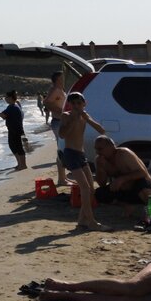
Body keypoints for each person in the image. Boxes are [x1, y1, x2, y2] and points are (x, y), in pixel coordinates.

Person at [58, 91, 104, 230]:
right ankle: (91, 221)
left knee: (90, 189)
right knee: (84, 187)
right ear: (70, 105)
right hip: (70, 154)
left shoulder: (85, 116)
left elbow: (101, 131)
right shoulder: (66, 116)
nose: (77, 106)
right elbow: (62, 134)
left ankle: (82, 220)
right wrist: (73, 119)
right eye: (74, 103)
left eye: (79, 103)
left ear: (84, 103)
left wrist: (87, 119)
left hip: (81, 154)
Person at [92, 136, 151, 206]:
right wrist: (100, 168)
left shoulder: (124, 153)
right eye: (96, 149)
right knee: (99, 193)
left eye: (100, 149)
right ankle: (127, 204)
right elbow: (102, 184)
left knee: (144, 187)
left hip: (139, 184)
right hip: (124, 188)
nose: (97, 152)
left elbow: (143, 173)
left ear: (111, 147)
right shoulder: (100, 160)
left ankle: (150, 206)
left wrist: (122, 179)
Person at [44, 71, 68, 186]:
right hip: (58, 122)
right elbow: (47, 102)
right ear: (58, 79)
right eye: (62, 77)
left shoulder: (59, 90)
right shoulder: (56, 90)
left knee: (62, 150)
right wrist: (61, 112)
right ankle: (61, 179)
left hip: (59, 122)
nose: (64, 79)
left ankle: (63, 178)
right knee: (61, 150)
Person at [0, 91, 27, 170]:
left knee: (16, 147)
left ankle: (22, 165)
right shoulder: (16, 105)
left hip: (15, 130)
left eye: (6, 97)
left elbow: (4, 116)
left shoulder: (12, 107)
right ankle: (20, 164)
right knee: (15, 147)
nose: (5, 99)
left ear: (10, 98)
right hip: (16, 129)